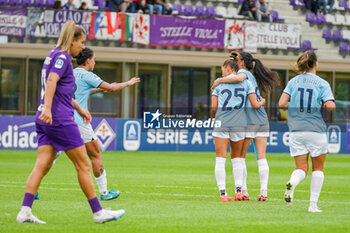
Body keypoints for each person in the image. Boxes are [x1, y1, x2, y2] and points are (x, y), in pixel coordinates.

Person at [16, 20, 125, 224]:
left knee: (42, 165)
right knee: (83, 165)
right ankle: (98, 212)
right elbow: (51, 82)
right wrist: (49, 108)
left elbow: (60, 89)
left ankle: (25, 211)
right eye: (81, 42)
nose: (83, 46)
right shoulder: (64, 58)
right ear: (72, 40)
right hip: (59, 119)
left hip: (44, 118)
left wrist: (79, 108)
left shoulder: (52, 55)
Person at [211, 51, 280, 201]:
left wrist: (219, 81)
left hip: (248, 121)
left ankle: (243, 191)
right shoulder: (252, 77)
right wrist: (262, 102)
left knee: (239, 157)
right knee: (261, 157)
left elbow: (238, 77)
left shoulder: (242, 74)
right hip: (262, 119)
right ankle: (263, 192)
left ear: (241, 62)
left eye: (238, 60)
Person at [73, 47, 140, 200]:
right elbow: (111, 87)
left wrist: (98, 91)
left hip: (64, 120)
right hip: (80, 121)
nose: (94, 62)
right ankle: (104, 193)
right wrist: (127, 84)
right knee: (95, 154)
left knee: (52, 154)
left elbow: (79, 92)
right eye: (94, 59)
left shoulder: (69, 73)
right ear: (88, 60)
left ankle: (34, 188)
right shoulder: (87, 75)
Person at [279, 51, 335, 212]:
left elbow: (282, 103)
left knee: (301, 168)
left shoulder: (293, 81)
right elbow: (330, 105)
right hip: (315, 130)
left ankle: (292, 182)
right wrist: (324, 105)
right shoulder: (322, 83)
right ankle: (312, 205)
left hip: (296, 130)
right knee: (318, 169)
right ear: (316, 64)